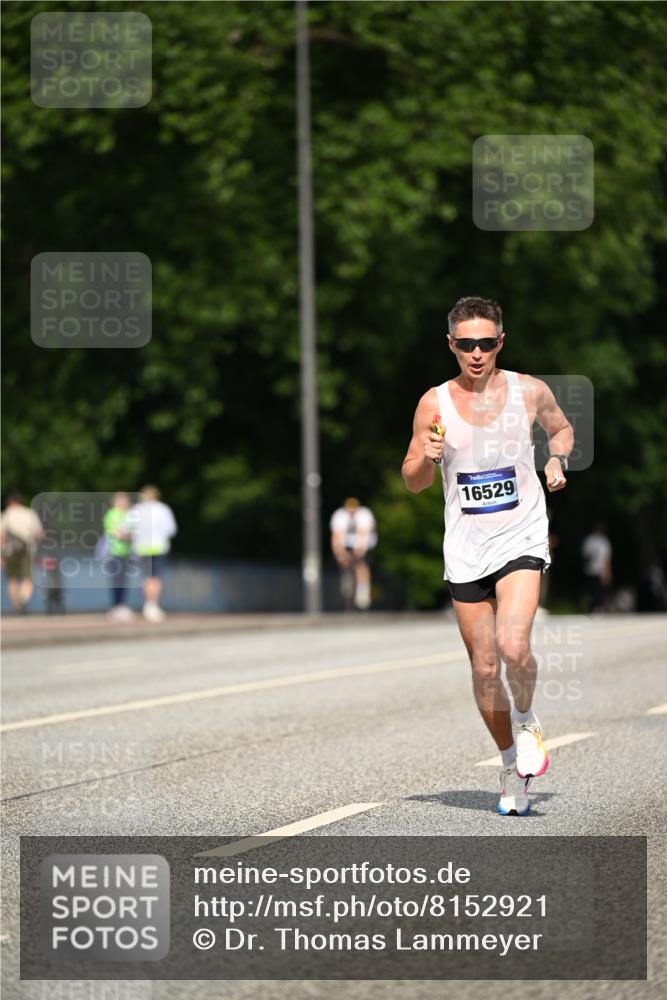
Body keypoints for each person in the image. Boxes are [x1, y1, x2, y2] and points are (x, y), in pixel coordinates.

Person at [402, 296, 573, 816]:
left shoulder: (529, 391)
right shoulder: (434, 403)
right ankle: (508, 764)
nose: (476, 353)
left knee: (513, 644)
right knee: (483, 667)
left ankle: (526, 722)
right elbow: (412, 480)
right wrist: (426, 460)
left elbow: (561, 429)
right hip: (466, 546)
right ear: (450, 345)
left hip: (520, 535)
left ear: (501, 341)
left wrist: (557, 459)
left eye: (486, 343)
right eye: (465, 344)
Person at [126, 485, 177, 622]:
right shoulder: (163, 509)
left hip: (142, 548)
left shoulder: (136, 510)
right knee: (156, 577)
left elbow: (127, 528)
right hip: (159, 547)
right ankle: (152, 605)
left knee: (147, 577)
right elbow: (171, 529)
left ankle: (149, 604)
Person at [330, 498, 377, 610]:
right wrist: (339, 552)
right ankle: (347, 588)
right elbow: (336, 535)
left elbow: (363, 533)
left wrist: (360, 550)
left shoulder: (364, 515)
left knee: (361, 566)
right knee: (344, 563)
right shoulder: (339, 516)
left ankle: (362, 594)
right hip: (347, 543)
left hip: (365, 544)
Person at [0, 493, 44, 613]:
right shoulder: (30, 513)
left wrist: (1, 555)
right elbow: (39, 534)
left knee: (12, 579)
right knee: (27, 578)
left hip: (9, 551)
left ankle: (16, 607)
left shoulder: (6, 515)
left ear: (8, 503)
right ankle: (23, 598)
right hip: (28, 549)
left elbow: (1, 537)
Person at [103, 491, 134, 621]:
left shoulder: (129, 514)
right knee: (117, 580)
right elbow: (117, 533)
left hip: (126, 552)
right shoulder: (111, 514)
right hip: (114, 552)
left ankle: (121, 605)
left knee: (124, 580)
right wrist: (128, 535)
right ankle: (116, 606)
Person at [581, 522, 612, 613]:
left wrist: (607, 571)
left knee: (599, 590)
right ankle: (596, 608)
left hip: (597, 570)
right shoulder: (595, 540)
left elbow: (605, 558)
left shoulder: (597, 540)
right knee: (595, 590)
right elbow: (586, 555)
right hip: (593, 570)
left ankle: (598, 607)